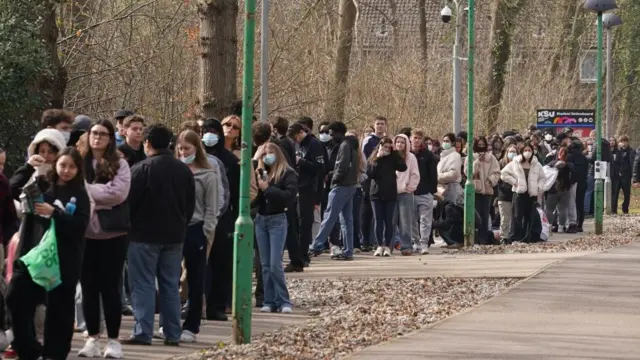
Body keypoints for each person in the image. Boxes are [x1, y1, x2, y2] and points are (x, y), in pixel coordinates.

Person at [6, 147, 91, 360]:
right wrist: (28, 167)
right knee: (15, 297)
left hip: (64, 258)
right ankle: (28, 347)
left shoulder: (80, 194)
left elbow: (80, 225)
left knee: (60, 308)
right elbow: (13, 189)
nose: (66, 170)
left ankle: (55, 353)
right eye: (63, 165)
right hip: (35, 256)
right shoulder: (44, 186)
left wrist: (56, 213)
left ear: (78, 169)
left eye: (72, 167)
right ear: (56, 165)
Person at [123, 124, 195, 345]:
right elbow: (190, 206)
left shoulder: (140, 170)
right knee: (170, 285)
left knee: (143, 284)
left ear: (147, 143)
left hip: (143, 236)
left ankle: (143, 331)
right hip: (174, 236)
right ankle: (173, 332)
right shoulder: (183, 170)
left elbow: (128, 205)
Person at [74, 119, 130, 358]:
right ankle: (93, 338)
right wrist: (98, 197)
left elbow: (118, 193)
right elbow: (70, 189)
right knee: (88, 287)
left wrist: (87, 192)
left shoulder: (120, 163)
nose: (98, 137)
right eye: (94, 133)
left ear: (110, 138)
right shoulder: (78, 160)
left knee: (110, 288)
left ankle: (114, 340)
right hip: (84, 233)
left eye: (103, 134)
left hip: (112, 234)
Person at [174, 130, 219, 342]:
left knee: (195, 277)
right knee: (170, 277)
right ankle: (171, 322)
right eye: (180, 149)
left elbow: (212, 207)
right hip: (174, 228)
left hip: (197, 228)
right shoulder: (174, 171)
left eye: (187, 149)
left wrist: (207, 232)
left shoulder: (208, 174)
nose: (183, 153)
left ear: (196, 149)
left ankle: (192, 325)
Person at [253, 143, 297, 313]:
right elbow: (255, 197)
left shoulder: (287, 173)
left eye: (271, 153)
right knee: (264, 265)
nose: (267, 157)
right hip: (261, 220)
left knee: (274, 264)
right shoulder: (260, 172)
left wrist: (268, 189)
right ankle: (269, 300)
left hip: (278, 220)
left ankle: (283, 300)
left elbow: (288, 198)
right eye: (264, 154)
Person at [310, 122, 360, 260]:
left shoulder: (344, 146)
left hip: (341, 186)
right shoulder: (352, 145)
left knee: (329, 216)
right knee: (347, 220)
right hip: (351, 185)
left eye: (332, 134)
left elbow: (342, 166)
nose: (330, 137)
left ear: (338, 133)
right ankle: (348, 250)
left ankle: (316, 245)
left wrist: (335, 179)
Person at [287, 122, 325, 271]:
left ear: (302, 132)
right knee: (298, 223)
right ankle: (298, 254)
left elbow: (320, 167)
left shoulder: (314, 144)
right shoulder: (299, 145)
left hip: (309, 188)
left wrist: (301, 162)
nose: (296, 140)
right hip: (299, 186)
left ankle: (303, 255)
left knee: (305, 224)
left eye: (297, 136)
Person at [367, 137, 407, 257]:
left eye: (389, 147)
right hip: (376, 193)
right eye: (385, 147)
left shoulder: (393, 157)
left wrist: (395, 153)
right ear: (380, 146)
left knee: (389, 221)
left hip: (390, 193)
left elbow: (402, 167)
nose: (387, 149)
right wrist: (378, 157)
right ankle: (379, 245)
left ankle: (388, 246)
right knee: (378, 220)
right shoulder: (375, 158)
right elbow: (370, 173)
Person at [501, 142, 545, 243]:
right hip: (519, 193)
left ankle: (527, 237)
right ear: (521, 152)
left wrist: (539, 187)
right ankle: (515, 237)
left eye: (529, 150)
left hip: (531, 194)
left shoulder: (536, 164)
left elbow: (542, 178)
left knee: (530, 216)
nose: (527, 152)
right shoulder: (515, 163)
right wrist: (514, 182)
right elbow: (503, 173)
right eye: (525, 150)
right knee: (517, 215)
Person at [465, 137, 500, 245]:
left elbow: (497, 172)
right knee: (475, 217)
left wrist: (490, 180)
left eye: (482, 144)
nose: (481, 147)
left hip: (487, 191)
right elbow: (467, 172)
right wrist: (477, 162)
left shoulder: (492, 158)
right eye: (478, 145)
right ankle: (474, 238)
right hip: (475, 191)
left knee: (485, 216)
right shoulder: (470, 157)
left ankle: (483, 239)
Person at [393, 134, 420, 255]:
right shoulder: (391, 156)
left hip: (405, 193)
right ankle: (389, 244)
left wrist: (410, 188)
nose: (399, 144)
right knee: (391, 221)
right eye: (397, 142)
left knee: (406, 221)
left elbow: (415, 174)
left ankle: (406, 246)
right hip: (391, 193)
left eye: (402, 142)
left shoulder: (411, 157)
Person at [545, 147, 573, 233]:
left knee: (549, 209)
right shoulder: (570, 165)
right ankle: (561, 227)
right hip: (565, 189)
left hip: (552, 189)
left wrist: (548, 157)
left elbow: (545, 169)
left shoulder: (552, 163)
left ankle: (549, 228)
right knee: (563, 209)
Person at [497, 145, 517, 243]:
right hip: (504, 195)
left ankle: (512, 235)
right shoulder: (501, 164)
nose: (512, 154)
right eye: (510, 152)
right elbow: (499, 179)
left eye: (514, 152)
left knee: (514, 218)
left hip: (515, 195)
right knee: (505, 218)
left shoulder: (518, 165)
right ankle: (503, 237)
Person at [437, 133, 463, 204]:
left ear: (452, 143)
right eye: (444, 141)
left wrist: (439, 177)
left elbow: (454, 174)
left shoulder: (455, 155)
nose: (445, 143)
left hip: (453, 188)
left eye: (447, 141)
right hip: (443, 189)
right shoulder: (443, 156)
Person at [612, 135, 635, 214]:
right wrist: (618, 149)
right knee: (615, 193)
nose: (623, 143)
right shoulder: (618, 151)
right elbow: (615, 161)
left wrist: (633, 176)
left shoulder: (631, 151)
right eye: (621, 141)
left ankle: (625, 208)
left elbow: (632, 164)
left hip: (626, 175)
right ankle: (613, 210)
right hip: (617, 175)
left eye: (625, 141)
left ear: (627, 142)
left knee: (626, 193)